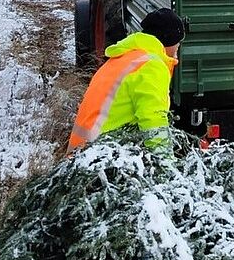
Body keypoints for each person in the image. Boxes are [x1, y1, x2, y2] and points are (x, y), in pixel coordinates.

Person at [67, 8, 186, 153]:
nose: (179, 47)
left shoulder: (125, 58)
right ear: (168, 40)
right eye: (178, 42)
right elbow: (154, 120)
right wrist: (166, 164)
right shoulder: (151, 66)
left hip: (82, 152)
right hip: (101, 155)